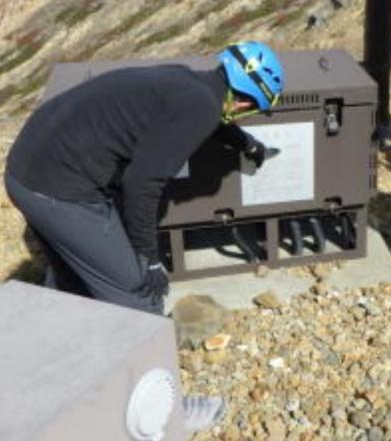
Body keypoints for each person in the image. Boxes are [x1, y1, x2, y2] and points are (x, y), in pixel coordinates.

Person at [4, 41, 284, 432]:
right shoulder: (201, 106)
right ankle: (162, 414)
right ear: (246, 102)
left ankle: (56, 367)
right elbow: (142, 182)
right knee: (138, 290)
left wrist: (245, 143)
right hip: (59, 189)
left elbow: (202, 118)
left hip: (26, 168)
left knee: (72, 274)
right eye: (254, 110)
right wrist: (148, 257)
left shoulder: (189, 82)